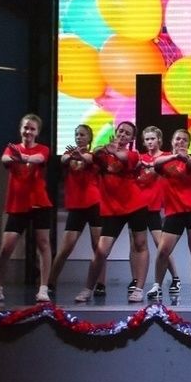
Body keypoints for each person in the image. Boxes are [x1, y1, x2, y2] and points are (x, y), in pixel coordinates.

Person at [75, 121, 149, 303]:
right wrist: (87, 154)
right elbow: (91, 158)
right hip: (112, 209)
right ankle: (88, 288)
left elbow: (124, 158)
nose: (123, 135)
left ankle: (139, 289)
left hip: (135, 205)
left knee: (140, 245)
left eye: (127, 133)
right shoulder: (103, 153)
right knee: (101, 251)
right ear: (116, 132)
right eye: (121, 131)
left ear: (132, 139)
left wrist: (113, 151)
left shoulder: (133, 154)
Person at [0, 114, 53, 304]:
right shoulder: (12, 148)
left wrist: (23, 157)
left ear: (37, 132)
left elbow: (39, 158)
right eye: (26, 127)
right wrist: (16, 157)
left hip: (39, 202)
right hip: (17, 204)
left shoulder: (43, 149)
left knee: (43, 244)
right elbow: (5, 159)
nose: (28, 131)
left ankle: (43, 288)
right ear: (20, 129)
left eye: (32, 129)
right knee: (6, 247)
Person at [146, 129, 191, 299]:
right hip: (174, 213)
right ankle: (157, 285)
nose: (181, 142)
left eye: (184, 140)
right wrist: (174, 156)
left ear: (189, 144)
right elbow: (156, 164)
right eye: (178, 139)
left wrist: (183, 157)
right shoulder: (165, 159)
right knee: (163, 250)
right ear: (172, 142)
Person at [49, 125, 106, 295]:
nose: (79, 137)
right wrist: (72, 156)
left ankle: (100, 284)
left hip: (94, 204)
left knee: (98, 247)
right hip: (76, 206)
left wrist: (80, 156)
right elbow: (64, 160)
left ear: (89, 138)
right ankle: (50, 283)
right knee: (66, 247)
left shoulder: (93, 156)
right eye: (76, 135)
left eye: (82, 135)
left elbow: (88, 160)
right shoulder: (69, 155)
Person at [135, 126, 180, 296]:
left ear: (159, 140)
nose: (150, 142)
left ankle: (175, 278)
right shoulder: (140, 158)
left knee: (161, 246)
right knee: (137, 244)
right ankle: (136, 280)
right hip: (139, 205)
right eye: (147, 139)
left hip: (157, 206)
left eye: (152, 138)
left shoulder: (166, 157)